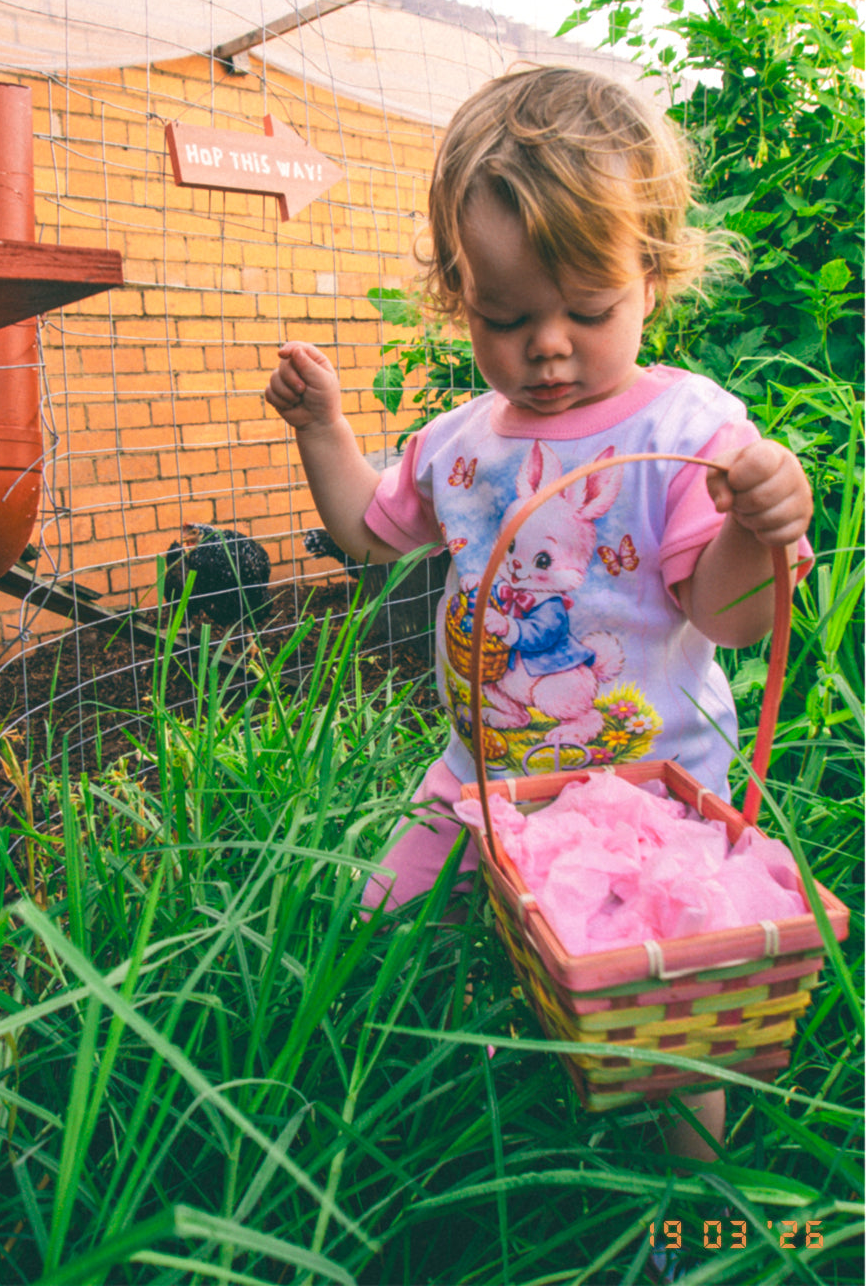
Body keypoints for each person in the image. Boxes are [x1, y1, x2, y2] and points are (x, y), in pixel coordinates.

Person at [264, 66, 812, 1178]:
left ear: (652, 276)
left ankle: (685, 1207)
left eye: (588, 311)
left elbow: (732, 616)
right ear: (456, 292)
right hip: (481, 784)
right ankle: (425, 1123)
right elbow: (370, 537)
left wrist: (760, 527)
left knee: (672, 1008)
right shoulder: (463, 441)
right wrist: (323, 428)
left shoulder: (688, 426)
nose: (547, 346)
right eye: (504, 316)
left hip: (648, 804)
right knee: (373, 931)